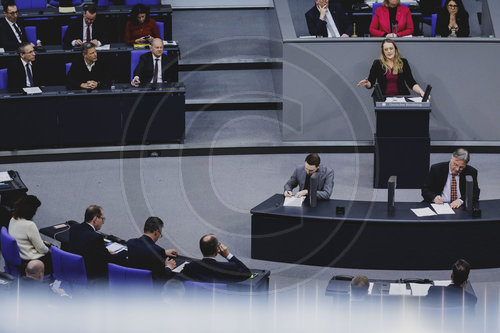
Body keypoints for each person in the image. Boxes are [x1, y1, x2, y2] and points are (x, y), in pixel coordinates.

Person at [69, 205, 127, 281]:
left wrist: (103, 251)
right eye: (102, 219)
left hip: (74, 269)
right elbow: (109, 259)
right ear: (95, 219)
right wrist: (125, 252)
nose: (103, 222)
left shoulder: (74, 228)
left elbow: (87, 248)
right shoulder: (95, 237)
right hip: (91, 274)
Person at [357, 39, 426, 97]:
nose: (389, 51)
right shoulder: (377, 63)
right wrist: (367, 83)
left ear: (395, 49)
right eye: (386, 49)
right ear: (383, 52)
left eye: (391, 48)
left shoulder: (403, 62)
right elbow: (371, 83)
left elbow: (411, 82)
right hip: (382, 99)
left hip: (400, 98)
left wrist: (421, 92)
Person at [8, 195, 53, 274]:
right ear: (31, 211)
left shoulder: (13, 219)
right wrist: (50, 250)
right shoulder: (30, 225)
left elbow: (24, 238)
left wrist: (42, 242)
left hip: (20, 256)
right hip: (32, 260)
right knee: (57, 257)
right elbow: (41, 249)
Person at [182, 234, 252, 283]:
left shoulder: (190, 267)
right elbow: (247, 273)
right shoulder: (228, 268)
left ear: (201, 248)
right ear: (217, 250)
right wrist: (228, 255)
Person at [127, 216, 177, 284]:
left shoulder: (130, 243)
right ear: (156, 232)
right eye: (160, 234)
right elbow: (160, 280)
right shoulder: (157, 251)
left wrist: (164, 252)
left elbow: (144, 250)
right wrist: (168, 267)